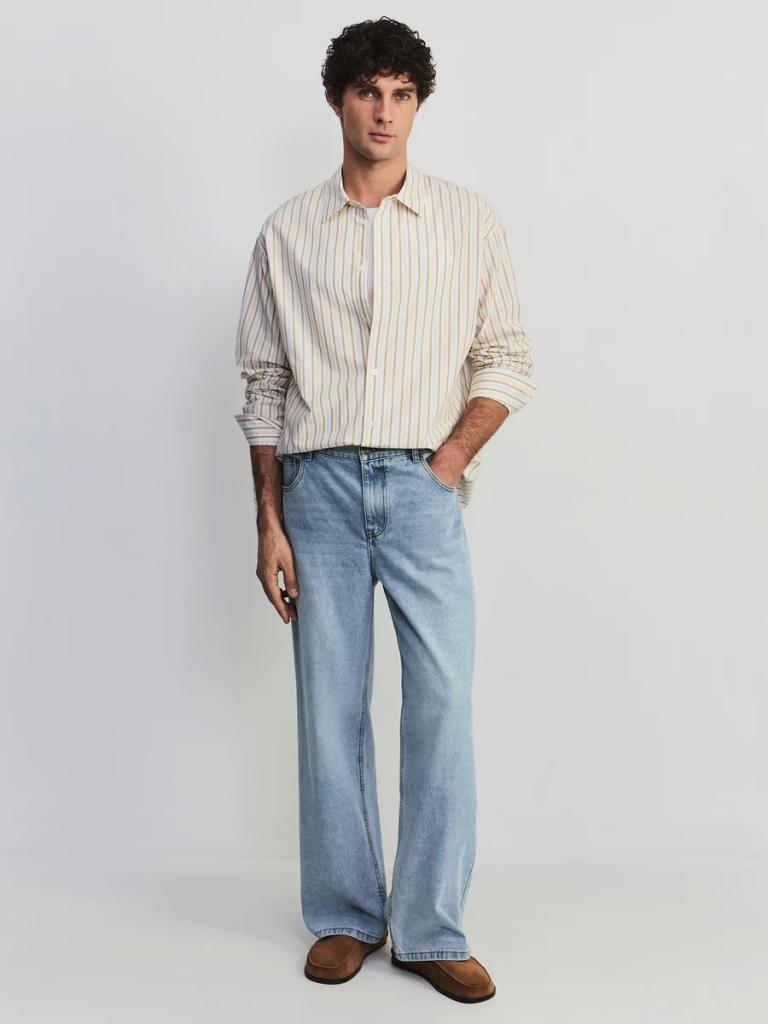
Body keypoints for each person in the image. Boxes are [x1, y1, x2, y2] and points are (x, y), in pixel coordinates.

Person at [234, 16, 536, 1004]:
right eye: (369, 90)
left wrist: (447, 461)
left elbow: (506, 359)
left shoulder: (467, 221)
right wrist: (268, 521)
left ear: (419, 104)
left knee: (441, 703)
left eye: (402, 93)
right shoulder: (287, 232)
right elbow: (265, 384)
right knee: (330, 708)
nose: (384, 111)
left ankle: (431, 924)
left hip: (421, 485)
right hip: (316, 488)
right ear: (338, 100)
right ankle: (345, 915)